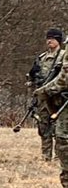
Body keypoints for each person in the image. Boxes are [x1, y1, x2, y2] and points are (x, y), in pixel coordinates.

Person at [26, 28, 65, 161]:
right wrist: (32, 76)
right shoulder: (42, 58)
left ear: (58, 40)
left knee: (59, 128)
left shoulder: (63, 57)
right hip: (43, 96)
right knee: (43, 126)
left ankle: (59, 157)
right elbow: (32, 80)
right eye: (48, 38)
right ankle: (45, 156)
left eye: (53, 38)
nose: (49, 41)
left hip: (58, 97)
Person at [35, 45, 68, 188]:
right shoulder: (42, 57)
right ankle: (47, 154)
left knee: (63, 142)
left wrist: (45, 91)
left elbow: (64, 79)